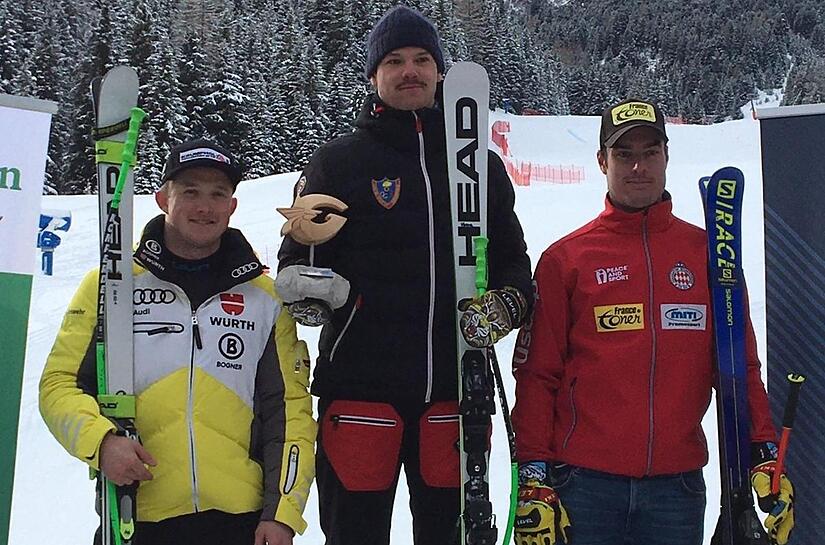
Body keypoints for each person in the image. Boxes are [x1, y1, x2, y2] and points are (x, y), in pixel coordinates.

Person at [274, 5, 533, 545]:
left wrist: (506, 303)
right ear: (374, 76)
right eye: (394, 61)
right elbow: (297, 266)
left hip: (454, 390)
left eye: (421, 59)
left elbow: (515, 266)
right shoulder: (339, 162)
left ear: (440, 71)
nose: (409, 70)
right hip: (359, 391)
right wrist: (311, 285)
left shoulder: (477, 165)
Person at [510, 98, 795, 545]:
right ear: (602, 161)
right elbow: (536, 376)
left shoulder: (710, 257)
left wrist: (762, 451)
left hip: (675, 490)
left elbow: (740, 369)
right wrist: (532, 477)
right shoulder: (566, 261)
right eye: (624, 154)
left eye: (650, 152)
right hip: (583, 485)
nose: (638, 166)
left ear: (666, 155)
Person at [39, 139, 316, 545]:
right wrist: (101, 442)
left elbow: (289, 414)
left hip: (241, 520)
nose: (204, 206)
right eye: (190, 191)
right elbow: (58, 386)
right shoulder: (112, 284)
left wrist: (282, 514)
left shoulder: (265, 298)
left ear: (232, 206)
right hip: (137, 514)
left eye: (218, 194)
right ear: (162, 198)